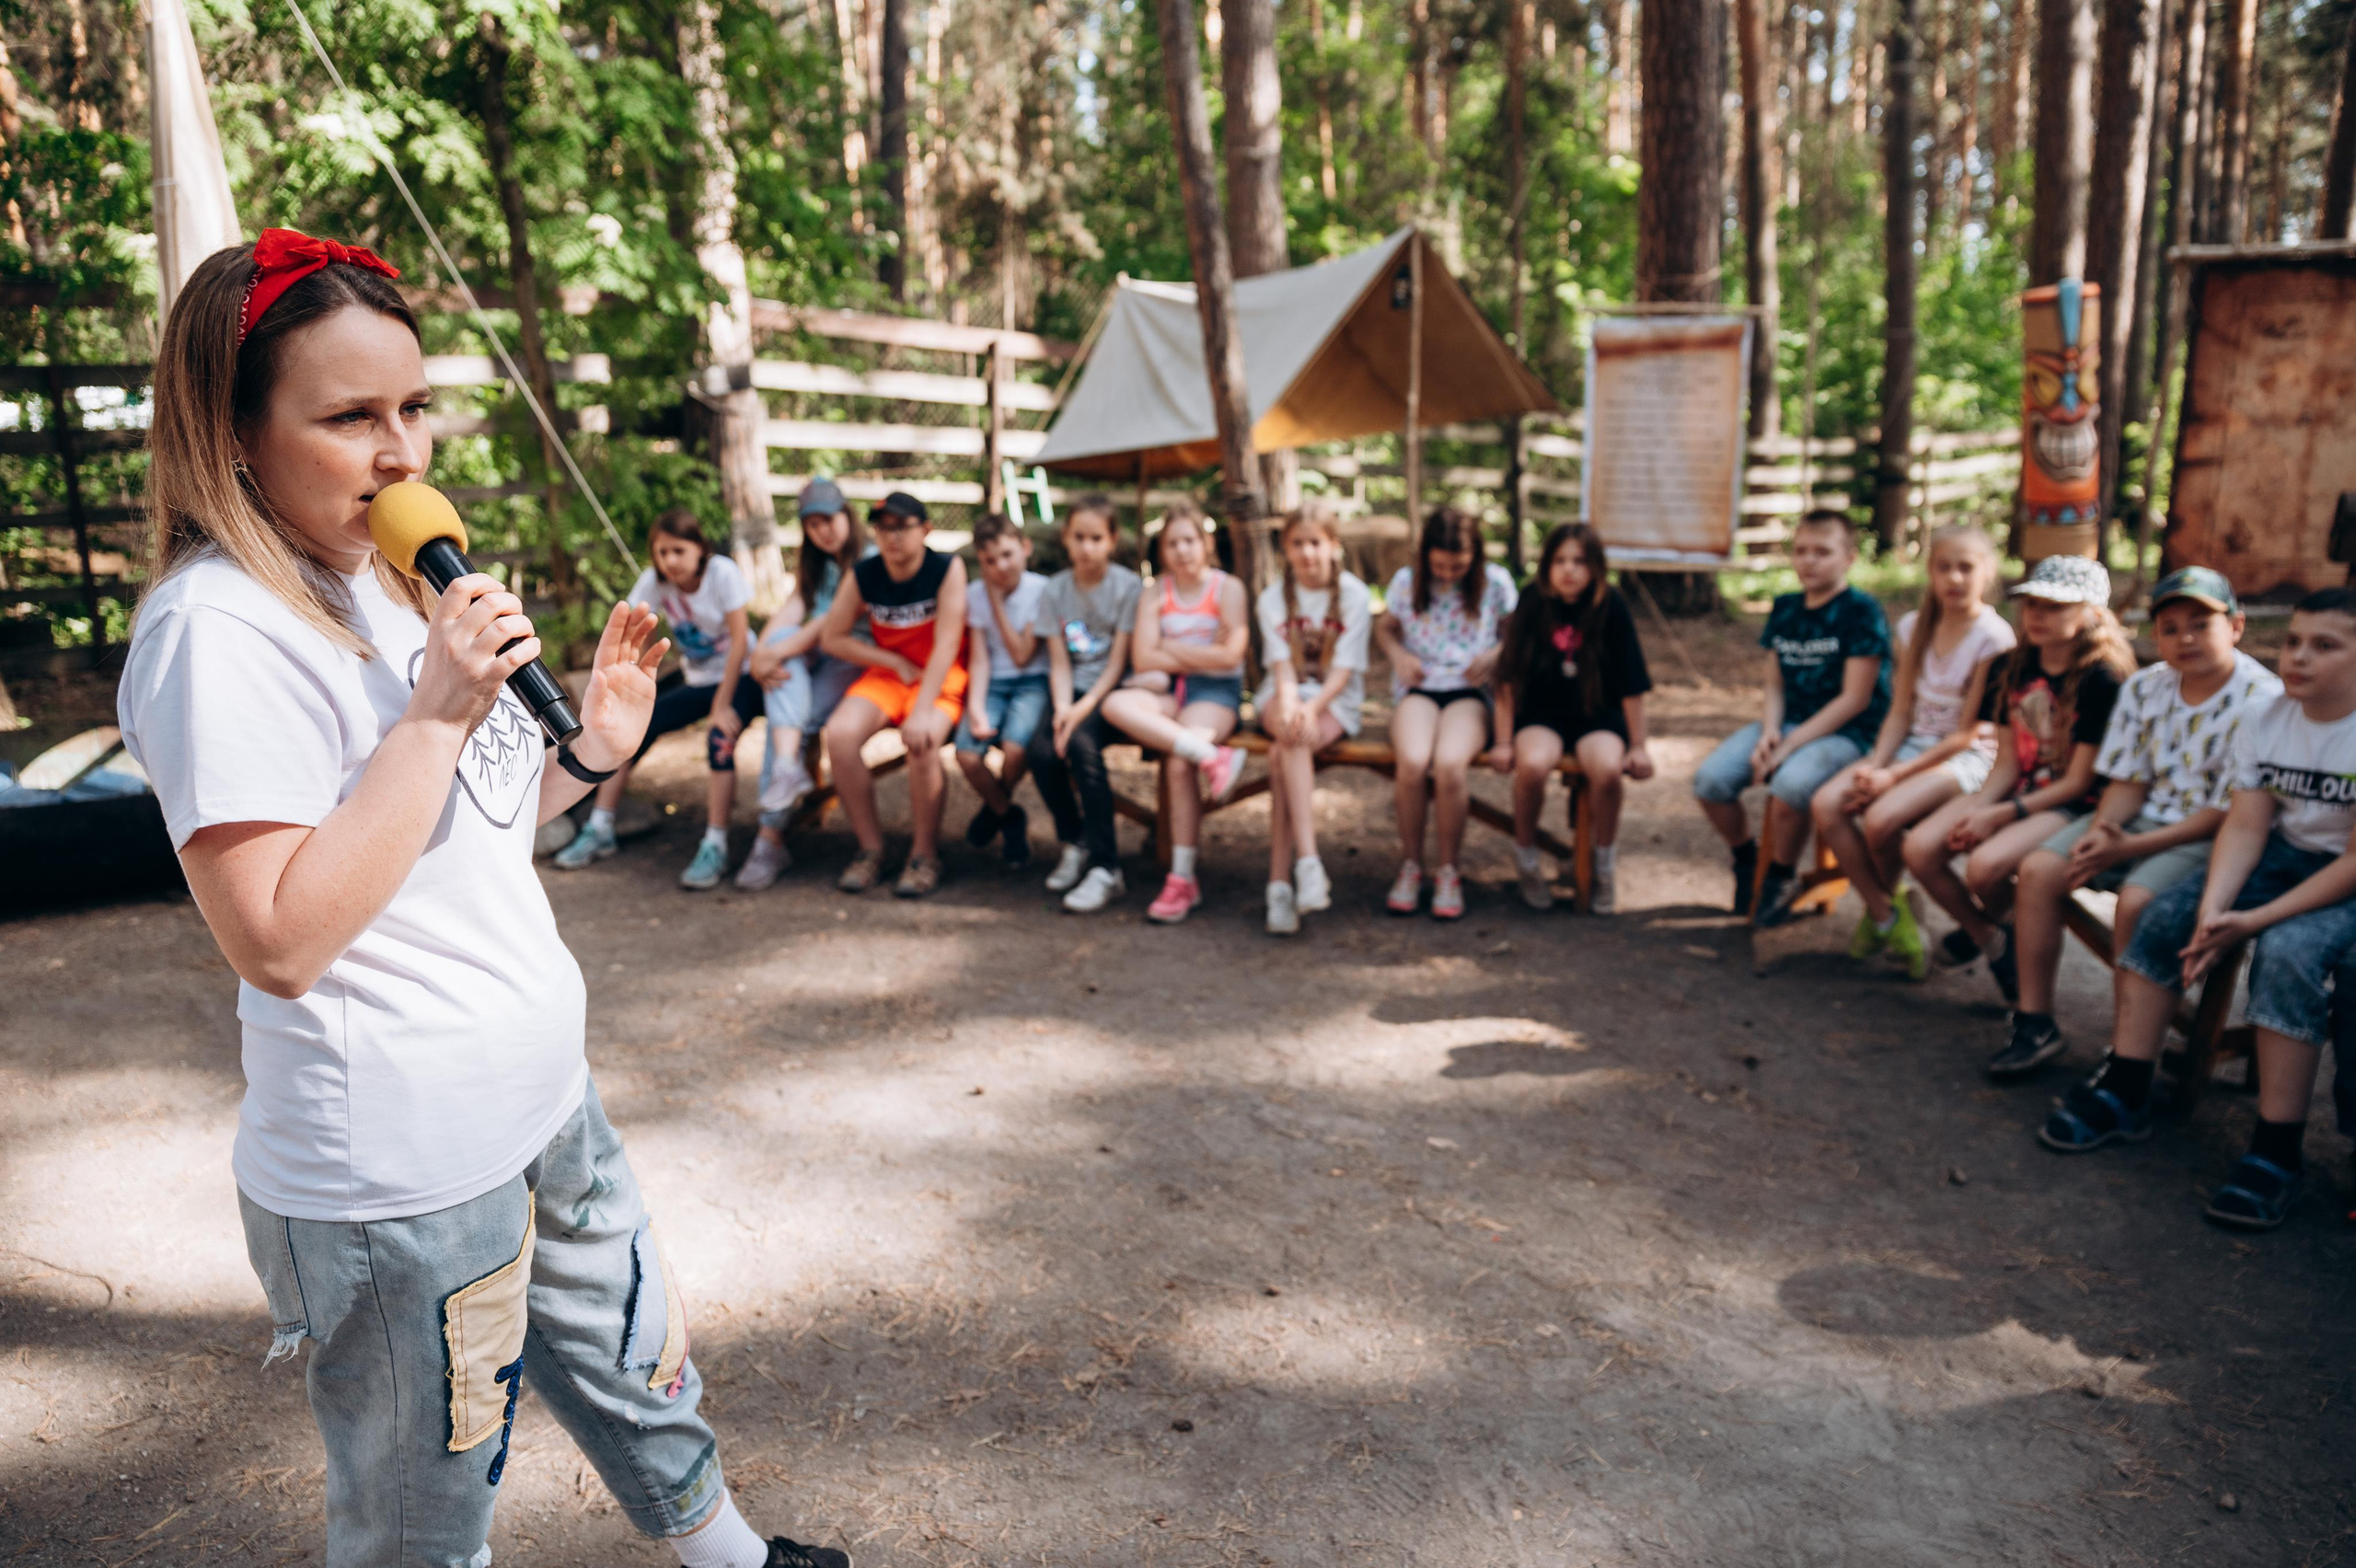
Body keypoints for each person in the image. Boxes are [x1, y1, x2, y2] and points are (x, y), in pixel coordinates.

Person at [116, 233, 848, 1568]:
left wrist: (592, 749)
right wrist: (440, 711)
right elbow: (278, 937)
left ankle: (732, 1558)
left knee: (640, 1357)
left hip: (539, 1096)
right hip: (398, 1173)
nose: (403, 454)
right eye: (350, 418)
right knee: (426, 1508)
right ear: (230, 433)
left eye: (413, 408)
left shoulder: (392, 582)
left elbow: (463, 832)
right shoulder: (214, 632)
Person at [2038, 587, 2356, 1231]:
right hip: (2280, 853)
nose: (2298, 658)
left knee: (2288, 954)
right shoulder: (2269, 718)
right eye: (2294, 641)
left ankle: (2276, 1153)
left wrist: (2255, 921)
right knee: (2162, 915)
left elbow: (2350, 864)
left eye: (2325, 646)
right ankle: (2129, 1089)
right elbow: (2245, 826)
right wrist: (2213, 908)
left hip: (2343, 876)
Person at [2001, 568, 2279, 1072]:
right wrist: (2104, 831)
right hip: (2141, 820)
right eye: (2169, 628)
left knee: (2137, 903)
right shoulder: (2146, 687)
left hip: (2207, 833)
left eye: (2201, 624)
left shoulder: (2262, 700)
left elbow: (2227, 815)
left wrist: (2124, 850)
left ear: (2235, 626)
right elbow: (2128, 781)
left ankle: (2128, 1052)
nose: (2185, 638)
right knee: (2040, 870)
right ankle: (2033, 1022)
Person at [1901, 554, 2135, 1031]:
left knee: (1985, 868)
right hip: (2020, 789)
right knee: (1920, 848)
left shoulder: (2102, 679)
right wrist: (1982, 806)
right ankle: (1990, 935)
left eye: (2054, 605)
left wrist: (2001, 815)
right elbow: (2007, 758)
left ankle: (2009, 947)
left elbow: (2081, 782)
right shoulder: (2012, 664)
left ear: (2091, 613)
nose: (2036, 615)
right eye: (2031, 603)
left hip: (2073, 803)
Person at [1811, 525, 2014, 975]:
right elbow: (1900, 711)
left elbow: (1967, 734)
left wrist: (1892, 778)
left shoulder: (1995, 638)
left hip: (1965, 756)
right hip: (1909, 747)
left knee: (1881, 818)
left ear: (1988, 572)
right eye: (1944, 567)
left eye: (1966, 568)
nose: (1955, 578)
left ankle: (1955, 930)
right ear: (1930, 572)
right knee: (1827, 804)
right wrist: (1877, 764)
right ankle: (1889, 912)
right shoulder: (1913, 627)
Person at [1693, 508, 1892, 922]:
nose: (1809, 561)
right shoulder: (1785, 608)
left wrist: (1789, 746)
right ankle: (1747, 859)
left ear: (1849, 558)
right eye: (1801, 551)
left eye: (1823, 552)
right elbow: (1775, 683)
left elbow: (1855, 699)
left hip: (1849, 732)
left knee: (1790, 785)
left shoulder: (1862, 612)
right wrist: (1769, 733)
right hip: (1787, 723)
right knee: (1711, 781)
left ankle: (1779, 875)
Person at [551, 508, 755, 890]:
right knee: (629, 733)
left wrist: (721, 706)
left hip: (741, 677)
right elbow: (634, 625)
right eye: (661, 552)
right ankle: (601, 827)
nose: (669, 561)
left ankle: (716, 844)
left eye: (678, 550)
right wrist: (633, 678)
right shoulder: (655, 582)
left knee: (718, 741)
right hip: (697, 682)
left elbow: (741, 641)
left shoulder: (722, 573)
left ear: (699, 548)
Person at [1488, 522, 1654, 916]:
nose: (1568, 570)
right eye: (1559, 561)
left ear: (1595, 567)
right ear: (1546, 566)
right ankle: (1526, 856)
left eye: (1579, 561)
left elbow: (1633, 684)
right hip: (1542, 714)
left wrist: (1639, 746)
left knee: (1607, 769)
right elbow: (1507, 677)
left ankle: (1603, 863)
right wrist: (1503, 740)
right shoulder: (1532, 601)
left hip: (1597, 715)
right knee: (1532, 764)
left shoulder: (1611, 606)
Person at [1101, 502, 1252, 923]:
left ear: (1205, 544)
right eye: (1172, 543)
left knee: (1177, 763)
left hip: (1214, 692)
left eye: (1189, 541)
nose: (1182, 550)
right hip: (1168, 689)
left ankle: (1181, 878)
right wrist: (1204, 652)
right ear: (1162, 550)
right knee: (1115, 703)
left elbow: (1231, 658)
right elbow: (1143, 658)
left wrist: (1170, 650)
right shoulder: (1156, 591)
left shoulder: (1228, 589)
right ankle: (1210, 755)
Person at [818, 490, 967, 897]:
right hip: (888, 676)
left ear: (926, 530)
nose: (892, 537)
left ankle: (924, 854)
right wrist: (889, 660)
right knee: (840, 735)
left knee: (921, 741)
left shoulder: (947, 568)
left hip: (940, 676)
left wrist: (922, 709)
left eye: (902, 527)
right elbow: (833, 637)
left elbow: (948, 643)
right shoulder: (864, 573)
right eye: (883, 529)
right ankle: (870, 849)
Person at [1373, 506, 1519, 919]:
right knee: (1414, 762)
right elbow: (1385, 628)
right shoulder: (1407, 582)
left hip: (1469, 693)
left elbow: (1517, 633)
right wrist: (1399, 657)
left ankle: (1448, 870)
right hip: (1420, 688)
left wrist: (1495, 655)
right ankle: (1411, 865)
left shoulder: (1496, 583)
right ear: (1425, 556)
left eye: (1458, 565)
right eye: (1439, 565)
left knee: (1450, 764)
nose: (1448, 574)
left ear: (1475, 556)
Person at [733, 478, 867, 890]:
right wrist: (761, 654)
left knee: (787, 712)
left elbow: (829, 624)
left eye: (829, 519)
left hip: (855, 657)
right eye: (812, 525)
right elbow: (794, 609)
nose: (822, 530)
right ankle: (789, 768)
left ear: (846, 515)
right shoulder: (819, 565)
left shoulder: (867, 561)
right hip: (819, 656)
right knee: (777, 660)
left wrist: (774, 654)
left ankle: (770, 838)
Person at [1258, 502, 1373, 936]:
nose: (1307, 553)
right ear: (1286, 549)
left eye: (1315, 543)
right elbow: (1281, 671)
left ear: (1333, 546)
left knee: (1281, 754)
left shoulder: (1356, 596)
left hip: (1334, 701)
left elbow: (1342, 673)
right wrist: (1292, 705)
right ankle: (1307, 864)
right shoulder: (1271, 599)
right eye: (1298, 544)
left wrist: (1309, 709)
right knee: (1290, 733)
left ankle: (1280, 884)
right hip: (1283, 696)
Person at [1030, 496, 1144, 913]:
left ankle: (1106, 866)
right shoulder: (1055, 590)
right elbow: (1059, 661)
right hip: (1071, 690)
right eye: (1079, 537)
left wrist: (1081, 711)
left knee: (1080, 746)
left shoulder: (1128, 587)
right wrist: (1063, 709)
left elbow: (1117, 661)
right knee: (1041, 751)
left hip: (1112, 693)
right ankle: (1074, 841)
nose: (1087, 547)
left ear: (1112, 540)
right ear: (1065, 539)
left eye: (1096, 538)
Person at [952, 512, 1051, 870]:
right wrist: (976, 707)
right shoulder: (973, 595)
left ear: (1025, 549)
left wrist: (995, 603)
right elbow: (980, 658)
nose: (1000, 567)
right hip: (992, 683)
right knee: (966, 755)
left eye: (1007, 555)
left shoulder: (1040, 591)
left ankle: (993, 812)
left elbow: (1023, 655)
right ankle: (1008, 815)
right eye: (990, 561)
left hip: (1033, 679)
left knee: (1015, 749)